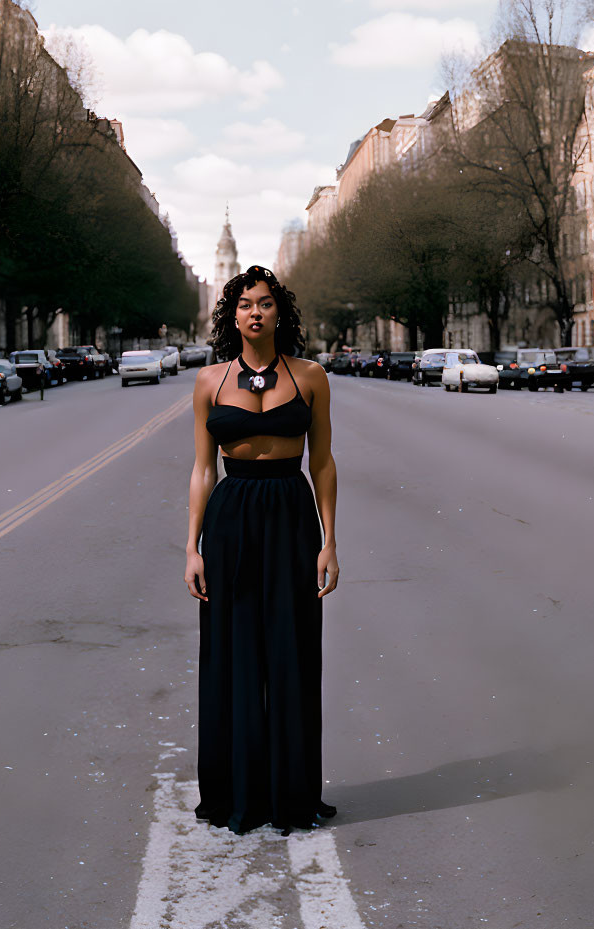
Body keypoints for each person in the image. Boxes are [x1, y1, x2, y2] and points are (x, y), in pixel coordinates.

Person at [185, 264, 340, 835]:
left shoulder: (312, 376)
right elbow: (203, 469)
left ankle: (292, 793)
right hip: (230, 520)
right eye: (245, 304)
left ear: (281, 312)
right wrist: (192, 546)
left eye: (266, 303)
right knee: (233, 653)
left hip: (291, 513)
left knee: (291, 651)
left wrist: (329, 542)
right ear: (233, 315)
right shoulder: (209, 382)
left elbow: (322, 462)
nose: (256, 312)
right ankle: (236, 792)